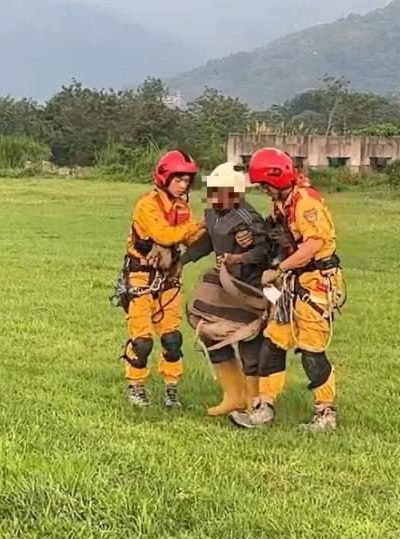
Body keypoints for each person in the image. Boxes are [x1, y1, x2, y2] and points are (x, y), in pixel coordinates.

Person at [229, 148, 346, 431]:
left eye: (266, 185)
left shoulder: (306, 202)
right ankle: (264, 408)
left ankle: (325, 412)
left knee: (311, 350)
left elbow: (313, 245)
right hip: (292, 283)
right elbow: (279, 238)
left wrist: (278, 270)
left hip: (315, 283)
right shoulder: (284, 203)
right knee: (274, 342)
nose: (265, 191)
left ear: (278, 179)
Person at [115, 150, 205, 409]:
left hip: (169, 280)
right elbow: (163, 235)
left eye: (187, 180)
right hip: (141, 278)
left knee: (172, 339)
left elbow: (187, 239)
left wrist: (215, 226)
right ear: (164, 178)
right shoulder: (147, 204)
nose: (183, 185)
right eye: (178, 179)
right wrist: (198, 225)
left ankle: (171, 389)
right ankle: (136, 386)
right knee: (142, 341)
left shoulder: (182, 208)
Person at [181, 162, 272, 416]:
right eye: (212, 189)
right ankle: (232, 395)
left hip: (248, 288)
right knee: (210, 331)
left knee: (248, 342)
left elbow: (264, 251)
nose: (213, 195)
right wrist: (182, 261)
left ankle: (255, 401)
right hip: (225, 284)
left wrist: (239, 256)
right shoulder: (212, 214)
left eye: (219, 190)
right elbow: (208, 242)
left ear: (235, 193)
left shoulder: (248, 218)